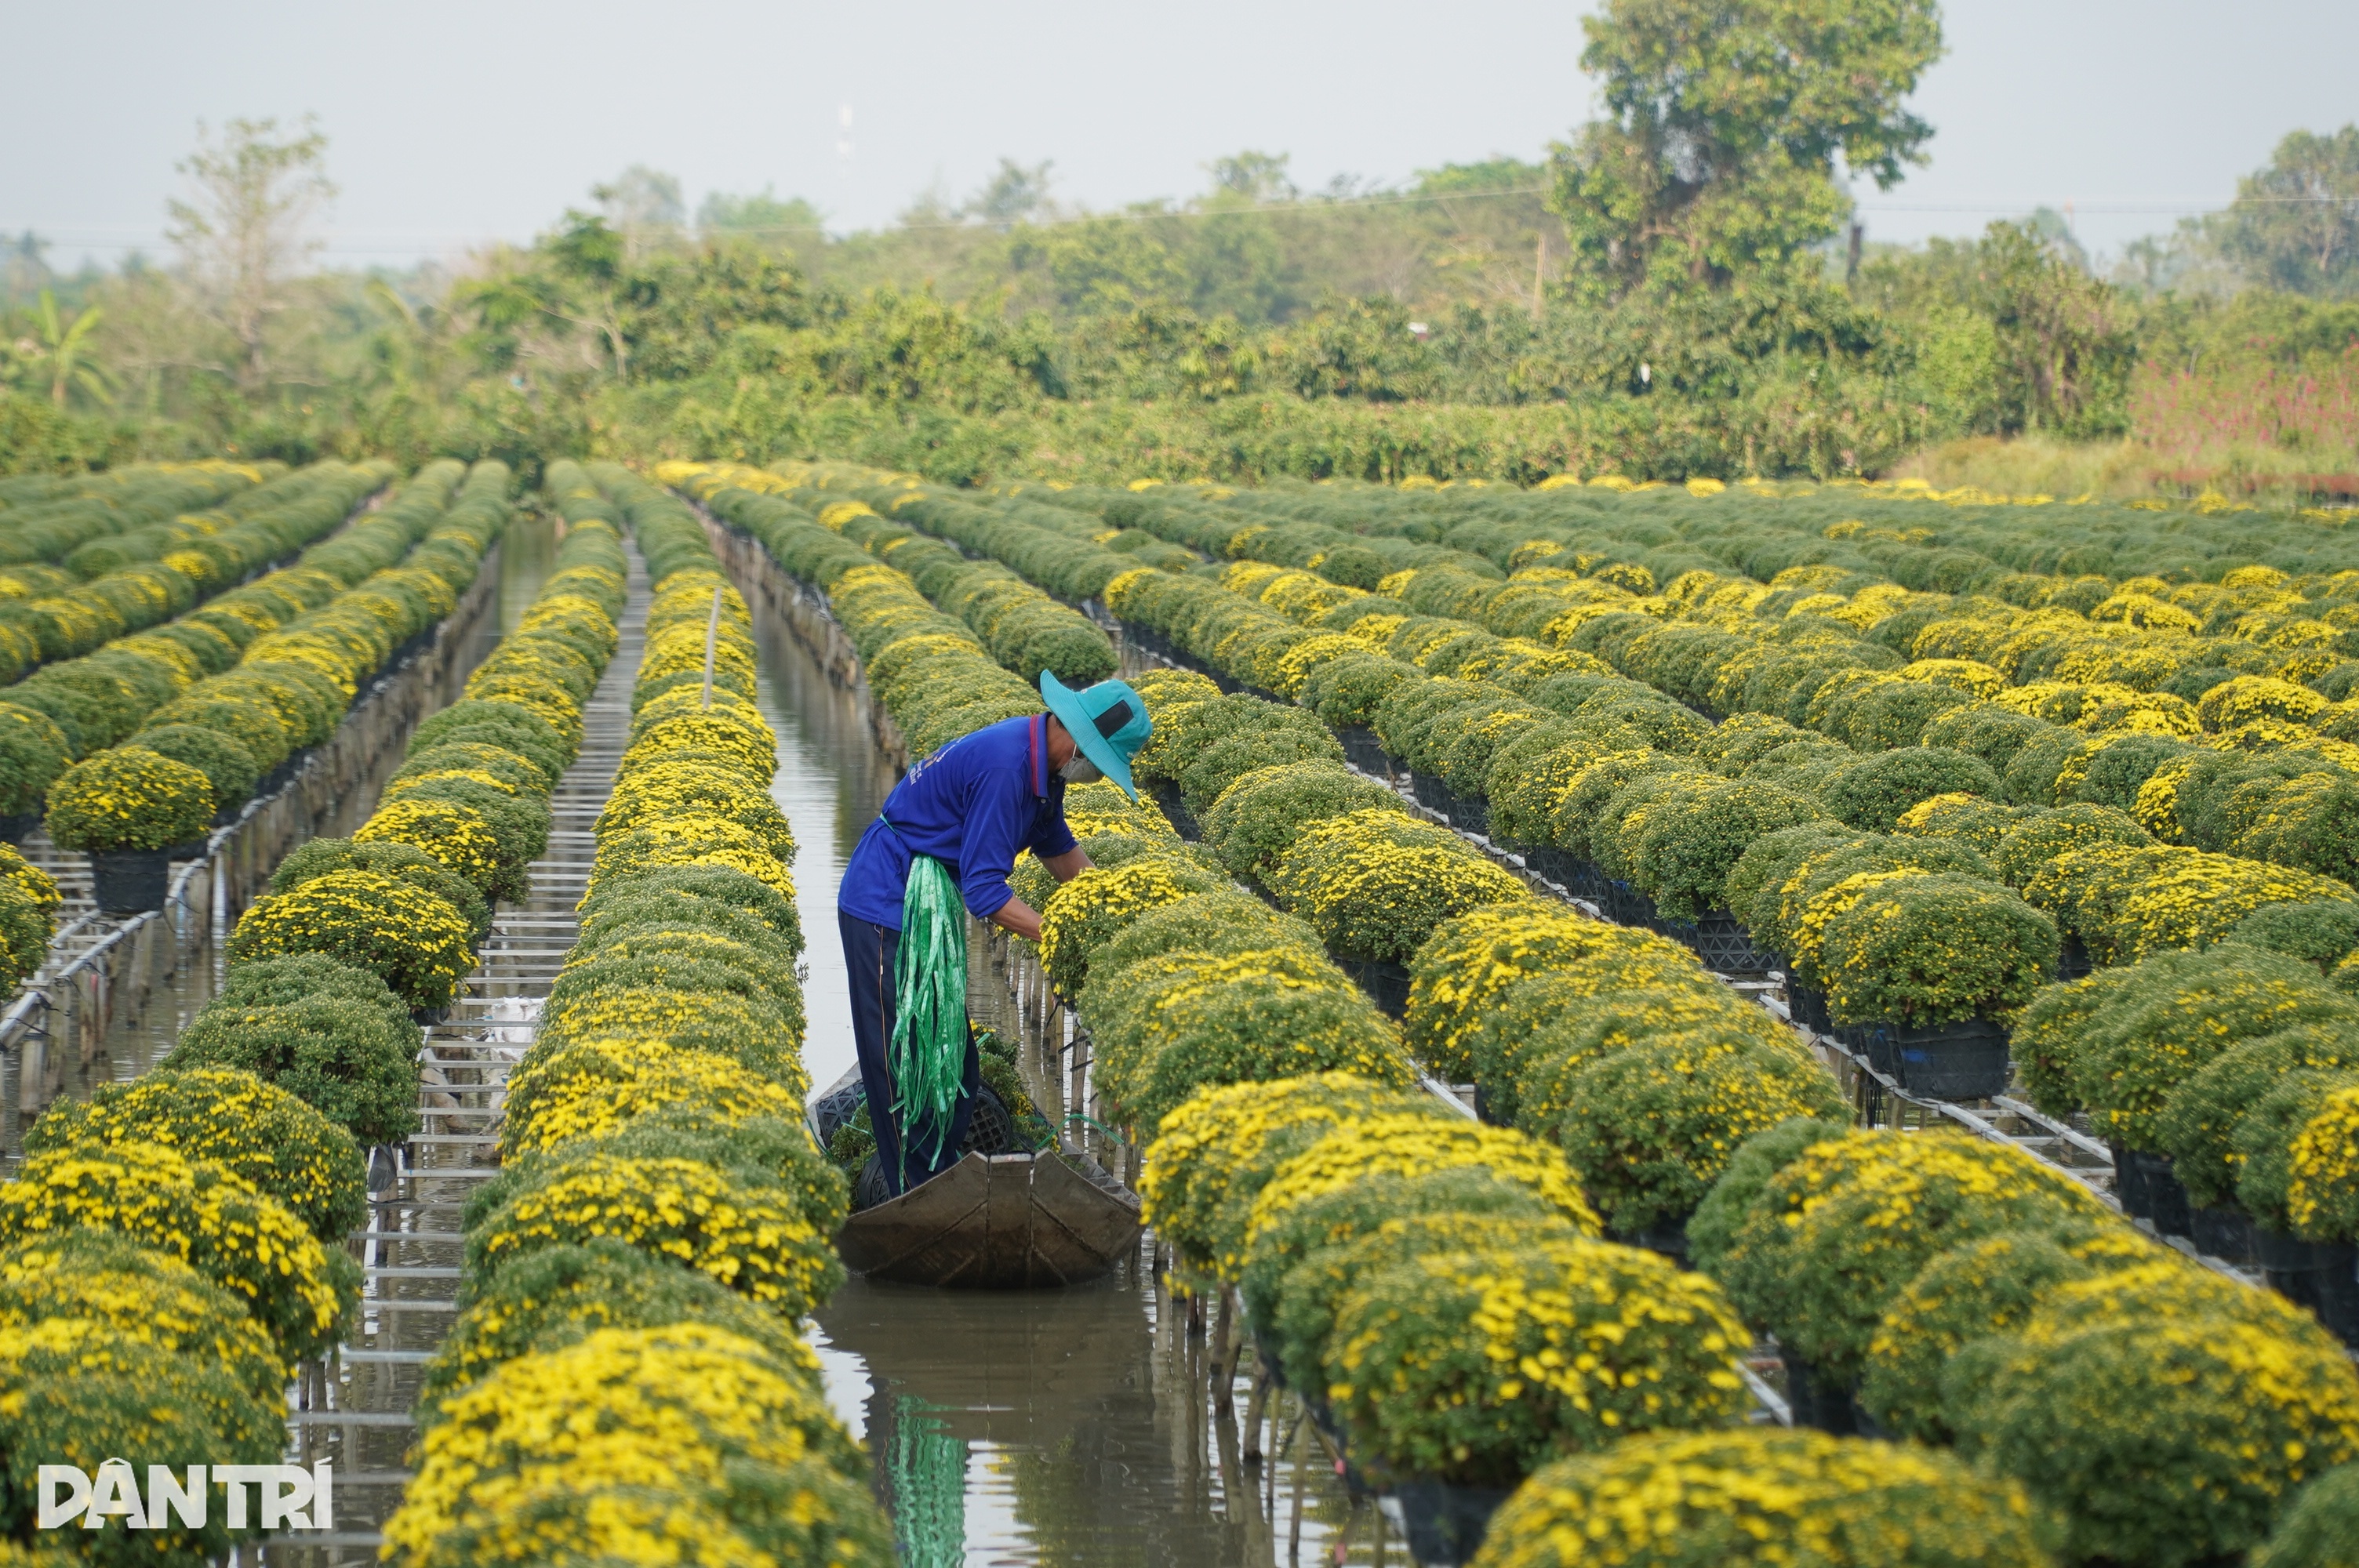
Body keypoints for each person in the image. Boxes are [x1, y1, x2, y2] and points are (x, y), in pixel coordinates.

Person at [837, 670, 1153, 1197]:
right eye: (1100, 764)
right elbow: (985, 892)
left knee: (954, 1061)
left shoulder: (1043, 770)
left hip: (920, 902)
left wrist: (1109, 914)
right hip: (882, 901)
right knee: (902, 1061)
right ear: (1078, 743)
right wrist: (1060, 938)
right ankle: (910, 1194)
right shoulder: (1008, 767)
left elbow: (1059, 850)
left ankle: (939, 1176)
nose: (1097, 775)